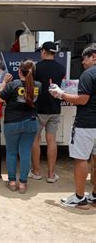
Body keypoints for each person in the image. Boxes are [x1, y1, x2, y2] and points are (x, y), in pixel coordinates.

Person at [49, 44, 96, 208]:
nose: (82, 62)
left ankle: (79, 197)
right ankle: (95, 196)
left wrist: (60, 94)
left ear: (94, 57)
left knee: (81, 159)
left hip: (86, 124)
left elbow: (83, 99)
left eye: (85, 58)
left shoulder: (88, 74)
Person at [0, 60, 41, 194]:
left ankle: (11, 181)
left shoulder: (12, 85)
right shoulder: (38, 85)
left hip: (12, 123)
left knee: (11, 152)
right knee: (25, 152)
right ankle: (22, 183)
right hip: (31, 123)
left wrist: (4, 82)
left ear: (19, 71)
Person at [30, 42, 66, 183]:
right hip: (55, 109)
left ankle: (36, 172)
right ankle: (51, 175)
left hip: (39, 109)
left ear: (44, 52)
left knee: (35, 139)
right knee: (52, 140)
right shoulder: (61, 68)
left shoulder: (36, 67)